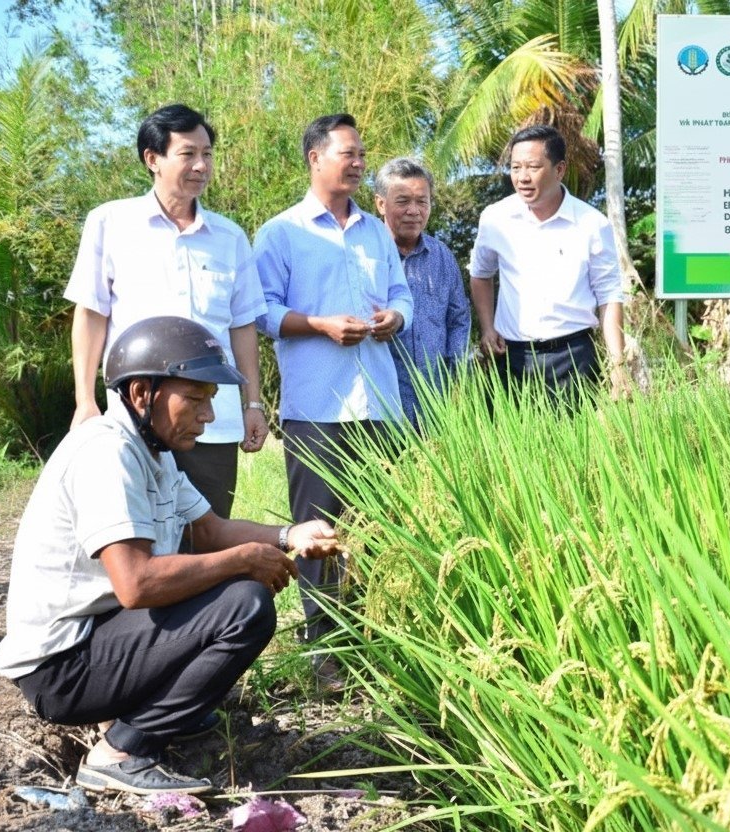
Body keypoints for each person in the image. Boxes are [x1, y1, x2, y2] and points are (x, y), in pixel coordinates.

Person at [0, 316, 338, 795]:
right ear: (141, 394)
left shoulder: (153, 452)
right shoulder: (107, 453)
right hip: (60, 670)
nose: (208, 417)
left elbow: (211, 530)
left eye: (210, 402)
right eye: (194, 400)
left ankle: (163, 714)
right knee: (244, 604)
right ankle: (122, 750)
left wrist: (288, 534)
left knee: (229, 585)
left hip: (97, 640)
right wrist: (243, 560)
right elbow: (136, 585)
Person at [254, 113, 412, 668]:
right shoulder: (281, 232)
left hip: (380, 402)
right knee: (320, 531)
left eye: (362, 152)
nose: (359, 161)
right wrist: (320, 324)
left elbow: (400, 293)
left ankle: (376, 637)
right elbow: (262, 313)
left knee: (379, 524)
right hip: (317, 406)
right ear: (315, 158)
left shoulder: (375, 231)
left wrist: (396, 316)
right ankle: (325, 648)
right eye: (348, 152)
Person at [65, 103, 268, 522]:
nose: (201, 165)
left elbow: (242, 326)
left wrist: (253, 404)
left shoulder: (230, 237)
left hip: (211, 420)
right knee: (134, 532)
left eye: (208, 154)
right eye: (188, 153)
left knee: (208, 536)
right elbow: (91, 315)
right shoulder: (110, 223)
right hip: (135, 418)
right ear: (152, 159)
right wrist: (85, 401)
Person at [468, 124, 627, 402]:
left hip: (573, 358)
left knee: (575, 444)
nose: (522, 177)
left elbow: (609, 295)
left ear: (559, 169)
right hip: (510, 358)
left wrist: (617, 364)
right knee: (507, 443)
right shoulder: (495, 218)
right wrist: (488, 327)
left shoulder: (592, 224)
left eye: (533, 167)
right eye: (515, 168)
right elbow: (481, 274)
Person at [373, 157, 471, 430]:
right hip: (382, 403)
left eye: (422, 201)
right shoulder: (366, 255)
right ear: (380, 204)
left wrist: (459, 379)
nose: (414, 211)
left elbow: (459, 320)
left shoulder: (443, 257)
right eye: (403, 201)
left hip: (436, 403)